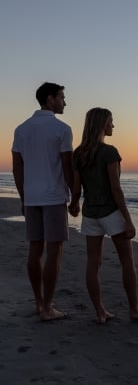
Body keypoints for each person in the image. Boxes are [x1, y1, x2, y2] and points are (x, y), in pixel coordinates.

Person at [69, 107, 138, 324]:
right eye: (111, 122)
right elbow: (116, 189)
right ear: (101, 125)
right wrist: (128, 219)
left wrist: (74, 203)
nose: (113, 126)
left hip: (90, 213)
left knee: (93, 263)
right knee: (127, 261)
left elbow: (76, 188)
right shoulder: (109, 152)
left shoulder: (78, 153)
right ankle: (134, 309)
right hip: (111, 212)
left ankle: (99, 312)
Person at [12, 82, 74, 321]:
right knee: (55, 251)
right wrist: (75, 195)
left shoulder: (21, 129)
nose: (64, 102)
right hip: (53, 197)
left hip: (32, 197)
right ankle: (48, 307)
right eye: (62, 98)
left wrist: (23, 197)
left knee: (35, 249)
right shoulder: (62, 129)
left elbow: (18, 168)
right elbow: (68, 166)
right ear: (50, 100)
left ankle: (39, 302)